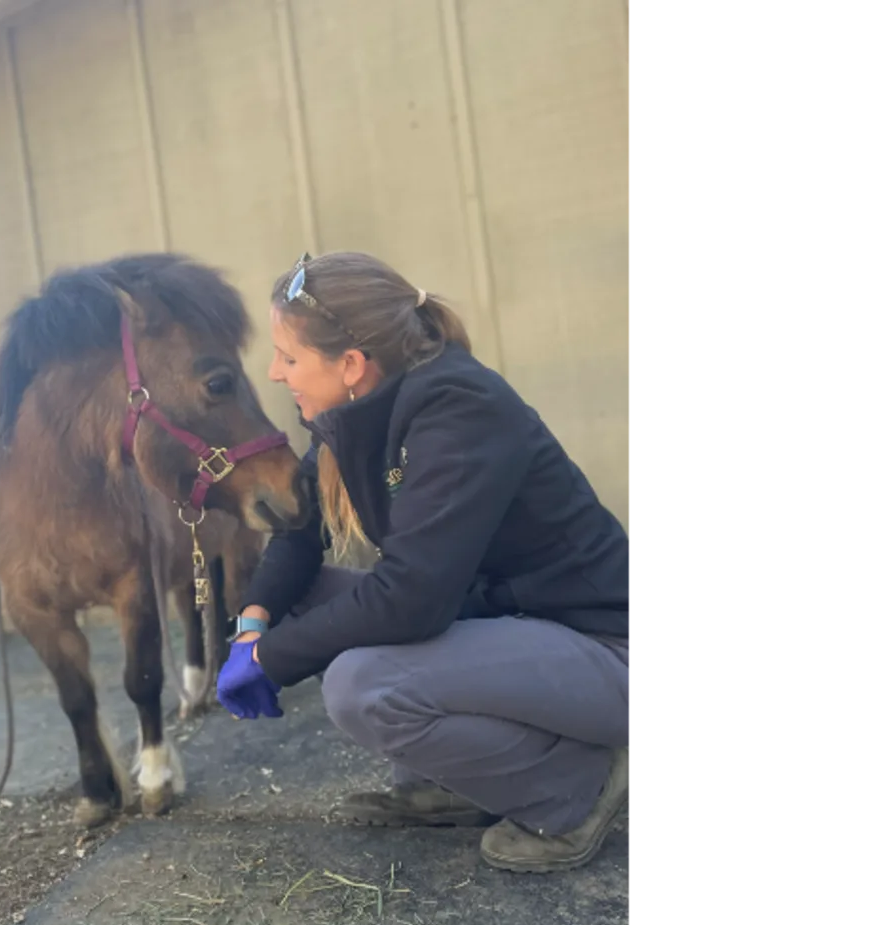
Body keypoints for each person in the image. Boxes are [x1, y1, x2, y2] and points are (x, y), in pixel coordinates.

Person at [215, 250, 634, 874]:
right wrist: (254, 624)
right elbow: (302, 536)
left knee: (361, 684)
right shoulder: (349, 415)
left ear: (351, 364)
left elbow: (412, 598)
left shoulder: (460, 408)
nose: (276, 373)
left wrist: (272, 660)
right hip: (514, 630)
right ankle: (457, 781)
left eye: (290, 357)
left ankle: (576, 786)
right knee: (295, 598)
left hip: (605, 650)